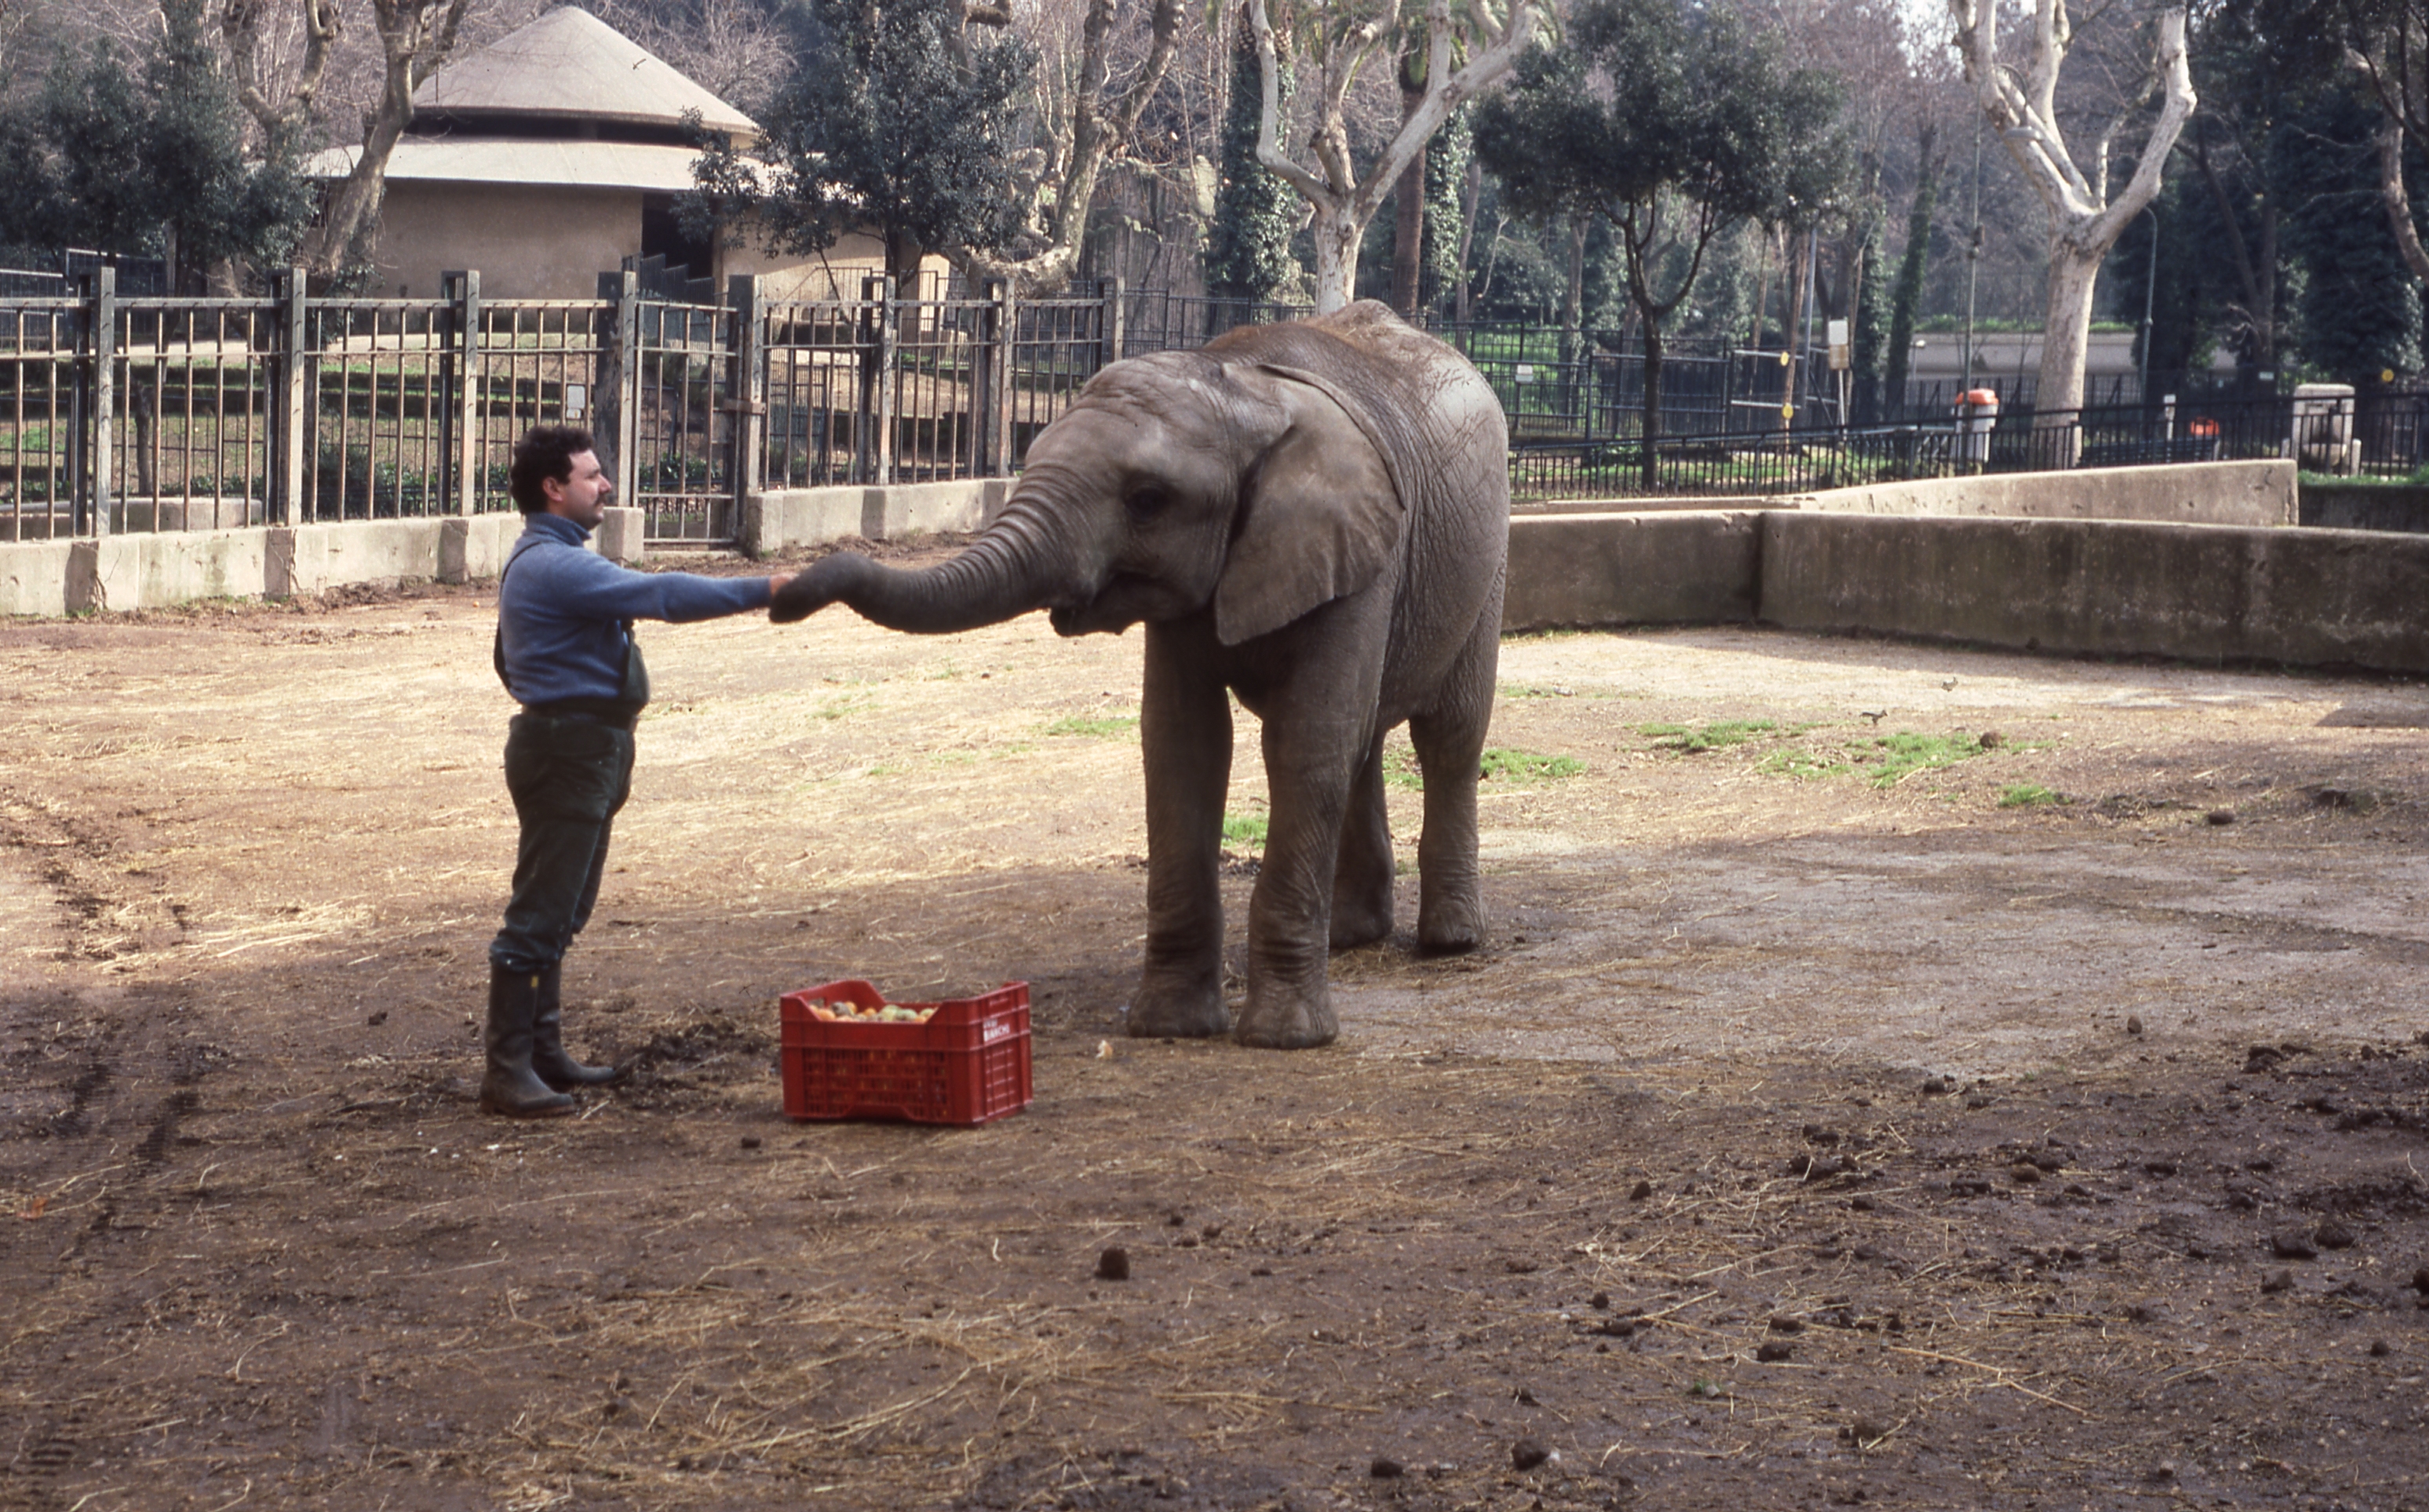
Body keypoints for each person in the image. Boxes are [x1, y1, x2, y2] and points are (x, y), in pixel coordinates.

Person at [482, 425, 793, 1118]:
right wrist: (767, 588)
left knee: (563, 911)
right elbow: (665, 596)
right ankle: (506, 1071)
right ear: (552, 489)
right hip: (568, 749)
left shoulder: (544, 559)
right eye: (592, 476)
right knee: (538, 915)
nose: (607, 486)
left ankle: (542, 1053)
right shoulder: (555, 565)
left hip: (584, 747)